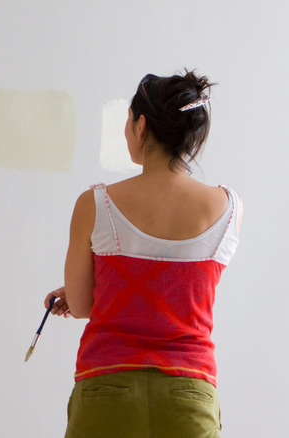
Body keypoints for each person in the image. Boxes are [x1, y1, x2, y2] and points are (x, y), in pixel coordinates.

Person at [45, 70, 244, 438]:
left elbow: (84, 305)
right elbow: (181, 291)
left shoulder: (95, 204)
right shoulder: (229, 207)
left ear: (140, 126)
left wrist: (76, 293)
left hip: (106, 392)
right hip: (190, 394)